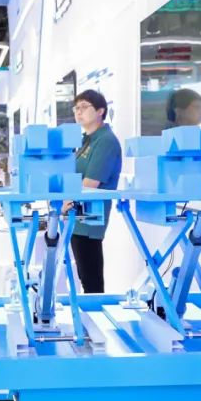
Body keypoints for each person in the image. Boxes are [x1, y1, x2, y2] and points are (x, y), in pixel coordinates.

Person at [70, 89, 122, 294]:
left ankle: (94, 310)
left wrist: (65, 204)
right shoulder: (87, 140)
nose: (79, 112)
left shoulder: (106, 141)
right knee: (85, 276)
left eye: (84, 107)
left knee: (91, 281)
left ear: (101, 111)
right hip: (77, 217)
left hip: (90, 219)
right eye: (76, 108)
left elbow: (90, 183)